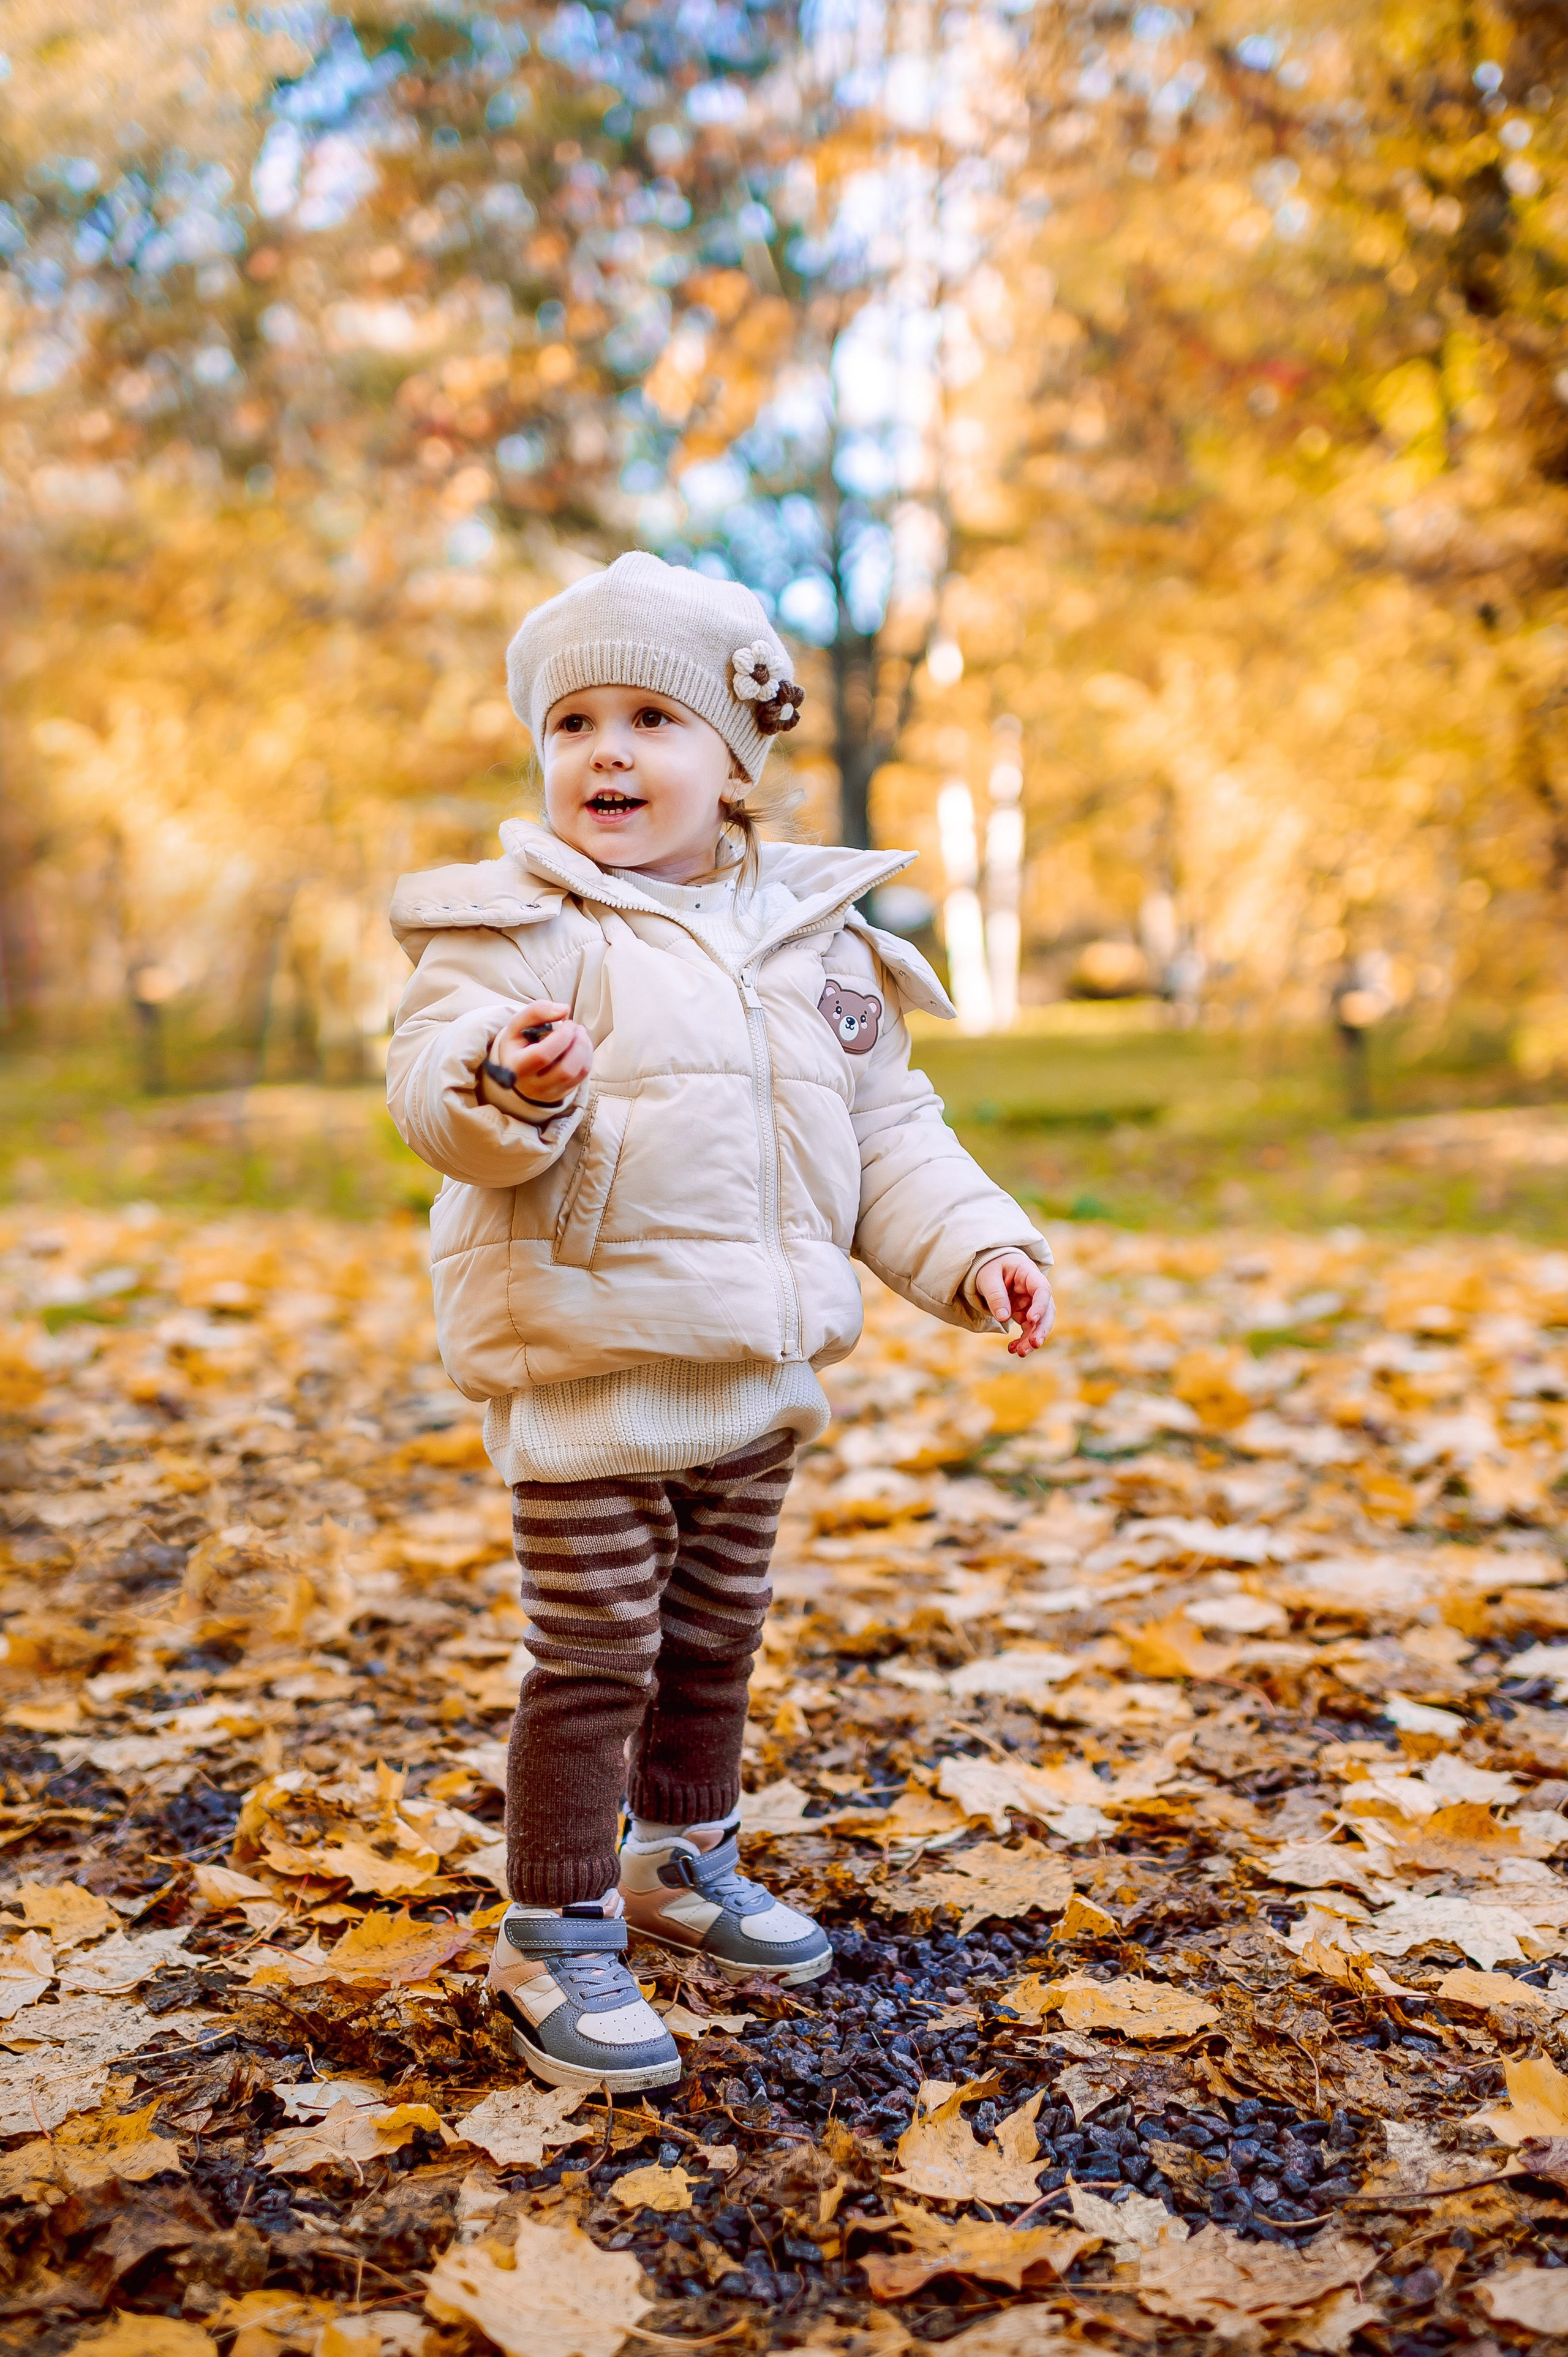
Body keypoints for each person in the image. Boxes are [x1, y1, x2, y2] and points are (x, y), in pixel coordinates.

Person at [386, 552, 1054, 2095]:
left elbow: (891, 1133)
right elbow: (437, 1098)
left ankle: (679, 1857)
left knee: (715, 1641)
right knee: (597, 1652)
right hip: (586, 1366)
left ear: (734, 760)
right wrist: (506, 1075)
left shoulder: (821, 942)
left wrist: (974, 1250)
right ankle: (552, 1922)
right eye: (572, 722)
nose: (605, 752)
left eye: (649, 718)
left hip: (754, 1377)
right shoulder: (512, 932)